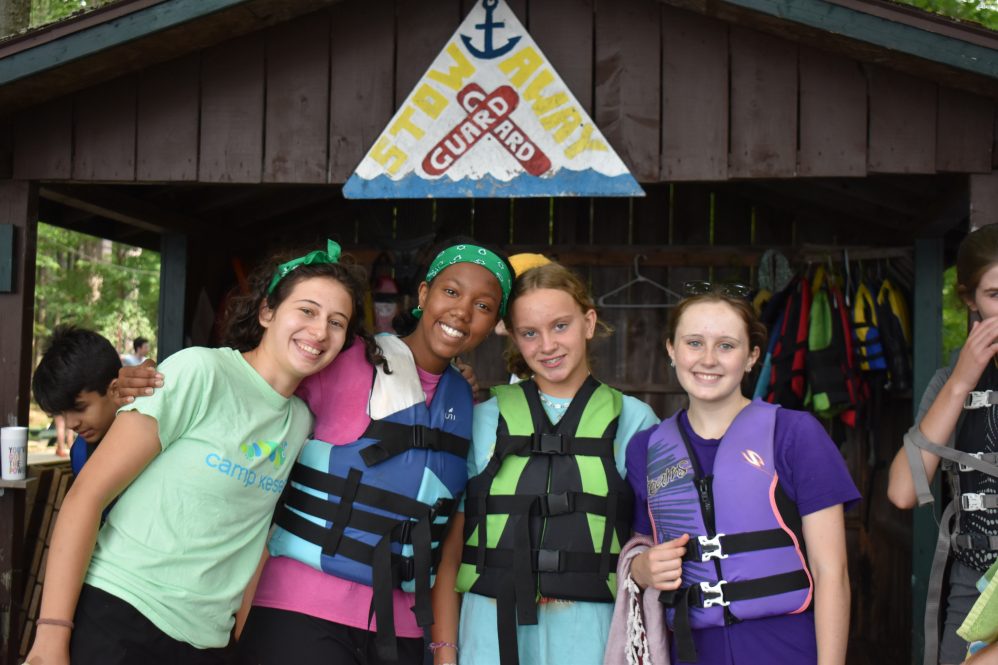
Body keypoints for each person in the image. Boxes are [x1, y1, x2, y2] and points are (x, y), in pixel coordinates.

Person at [24, 240, 370, 665]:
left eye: (337, 322)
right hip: (120, 614)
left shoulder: (300, 422)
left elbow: (256, 534)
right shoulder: (200, 372)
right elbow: (86, 496)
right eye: (307, 310)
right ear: (267, 312)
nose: (320, 331)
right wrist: (51, 634)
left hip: (206, 641)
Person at [432, 262, 659, 665]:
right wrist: (445, 653)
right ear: (514, 338)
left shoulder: (635, 421)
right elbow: (452, 549)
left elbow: (651, 542)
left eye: (560, 326)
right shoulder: (484, 419)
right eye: (530, 333)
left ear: (588, 322)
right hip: (489, 633)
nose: (547, 345)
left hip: (591, 633)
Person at [625, 283, 858, 665]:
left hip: (785, 646)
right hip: (693, 650)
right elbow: (637, 550)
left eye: (727, 345)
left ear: (751, 357)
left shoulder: (796, 435)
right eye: (694, 343)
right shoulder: (644, 450)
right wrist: (641, 568)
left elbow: (832, 571)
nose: (709, 359)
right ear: (671, 349)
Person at [888, 223, 998, 665]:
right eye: (996, 294)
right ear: (970, 300)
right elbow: (900, 490)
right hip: (973, 587)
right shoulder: (948, 383)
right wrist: (961, 383)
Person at [32, 326, 122, 476]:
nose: (70, 424)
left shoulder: (153, 433)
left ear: (115, 390)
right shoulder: (80, 453)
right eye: (61, 413)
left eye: (80, 407)